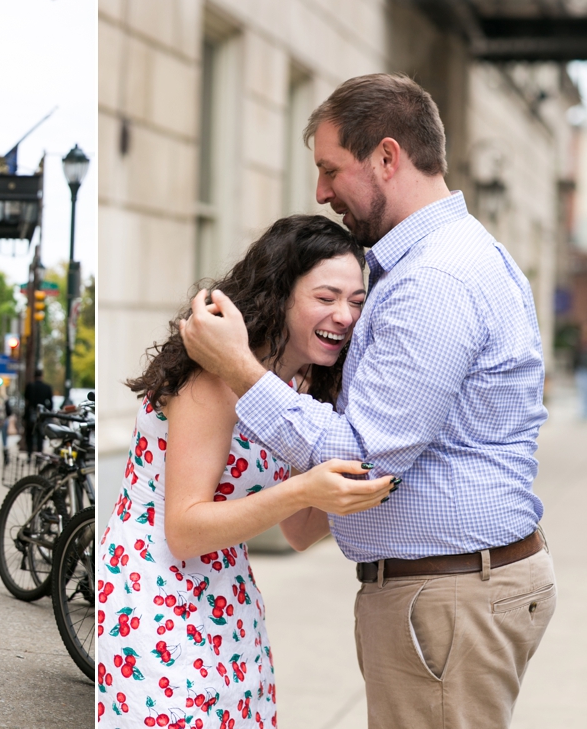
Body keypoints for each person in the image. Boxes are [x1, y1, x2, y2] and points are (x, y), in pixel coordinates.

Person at [180, 74, 556, 729]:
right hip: (452, 588)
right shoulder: (450, 257)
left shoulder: (434, 278)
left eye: (330, 169)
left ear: (387, 156)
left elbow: (361, 459)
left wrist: (240, 368)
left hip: (448, 593)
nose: (320, 192)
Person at [97, 215, 397, 727]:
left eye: (356, 302)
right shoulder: (213, 377)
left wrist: (382, 465)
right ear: (280, 294)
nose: (344, 316)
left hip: (228, 609)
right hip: (154, 605)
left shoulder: (298, 388)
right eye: (326, 298)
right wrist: (305, 486)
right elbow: (187, 530)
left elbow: (299, 531)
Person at [23, 366, 53, 453]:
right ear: (42, 376)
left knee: (29, 435)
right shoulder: (47, 387)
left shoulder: (30, 386)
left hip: (30, 414)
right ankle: (39, 455)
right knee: (40, 435)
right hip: (42, 415)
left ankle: (29, 454)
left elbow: (26, 400)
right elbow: (50, 403)